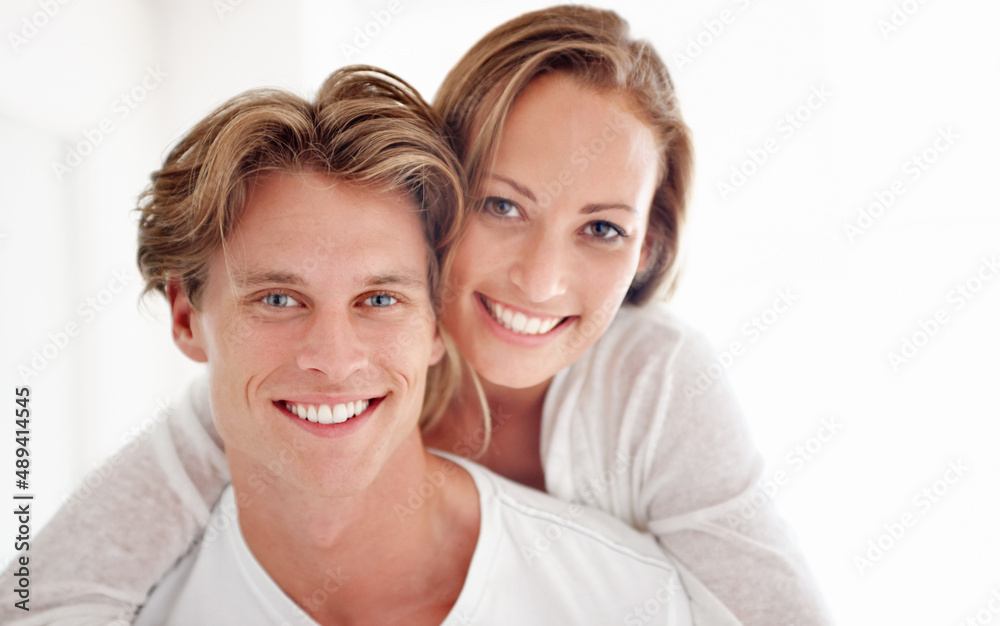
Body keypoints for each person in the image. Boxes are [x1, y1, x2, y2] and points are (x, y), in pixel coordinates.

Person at [1, 6, 830, 625]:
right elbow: (52, 593)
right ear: (436, 208)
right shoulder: (268, 394)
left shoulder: (648, 383)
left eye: (603, 228)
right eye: (503, 206)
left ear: (648, 248)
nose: (540, 280)